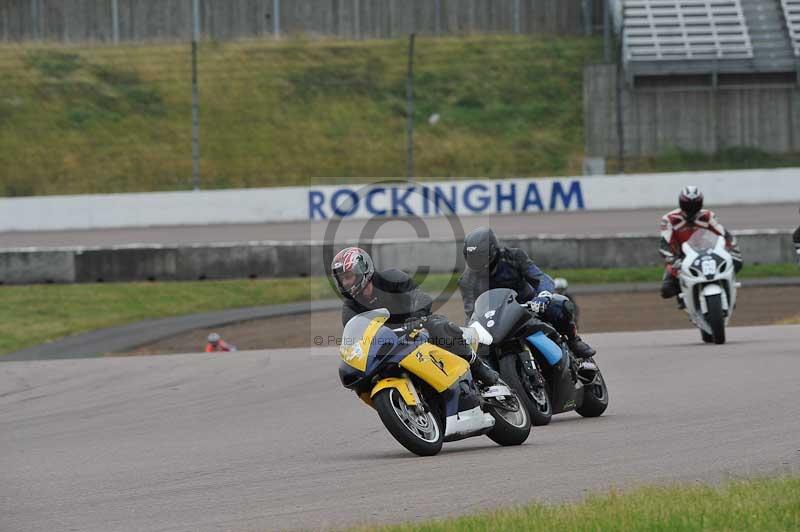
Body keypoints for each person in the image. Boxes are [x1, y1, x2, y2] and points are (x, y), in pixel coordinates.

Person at [331, 246, 500, 386]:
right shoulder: (350, 309)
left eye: (348, 276)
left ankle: (478, 367)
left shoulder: (391, 278)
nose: (345, 283)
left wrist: (417, 316)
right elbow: (357, 339)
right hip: (388, 344)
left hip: (417, 325)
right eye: (342, 279)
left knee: (441, 327)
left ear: (363, 269)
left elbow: (420, 297)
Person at [458, 227, 596, 359]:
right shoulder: (466, 280)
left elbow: (540, 278)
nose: (476, 261)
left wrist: (543, 296)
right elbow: (471, 312)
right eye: (472, 257)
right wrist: (470, 332)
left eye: (480, 256)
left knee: (560, 305)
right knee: (480, 353)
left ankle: (573, 341)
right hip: (497, 320)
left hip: (530, 306)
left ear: (493, 250)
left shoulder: (514, 257)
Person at [659, 186, 743, 304]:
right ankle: (683, 297)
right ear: (681, 203)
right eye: (688, 205)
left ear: (701, 203)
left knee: (736, 263)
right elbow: (664, 243)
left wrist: (734, 249)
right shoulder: (669, 219)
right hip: (681, 258)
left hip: (709, 253)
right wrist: (671, 259)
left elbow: (725, 234)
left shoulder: (708, 216)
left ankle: (728, 291)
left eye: (695, 205)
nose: (691, 209)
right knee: (666, 290)